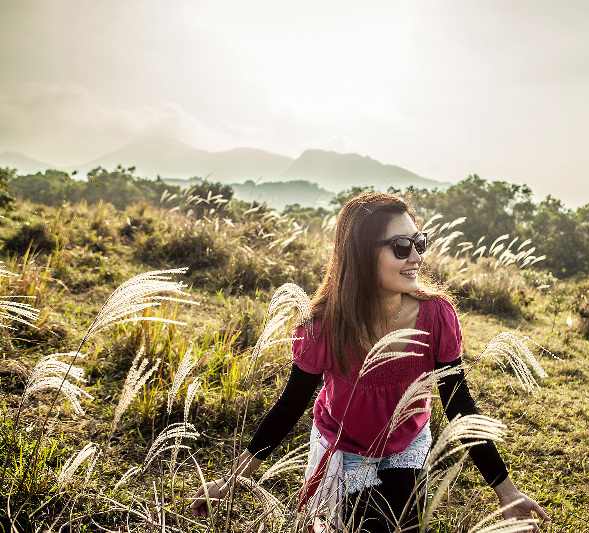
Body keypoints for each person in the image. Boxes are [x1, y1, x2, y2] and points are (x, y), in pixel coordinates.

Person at [190, 193, 550, 532]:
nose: (417, 258)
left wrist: (506, 490)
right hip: (344, 447)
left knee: (404, 525)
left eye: (419, 242)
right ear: (362, 255)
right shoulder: (323, 327)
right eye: (401, 247)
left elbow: (460, 404)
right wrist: (230, 482)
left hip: (406, 442)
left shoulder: (436, 316)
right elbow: (289, 405)